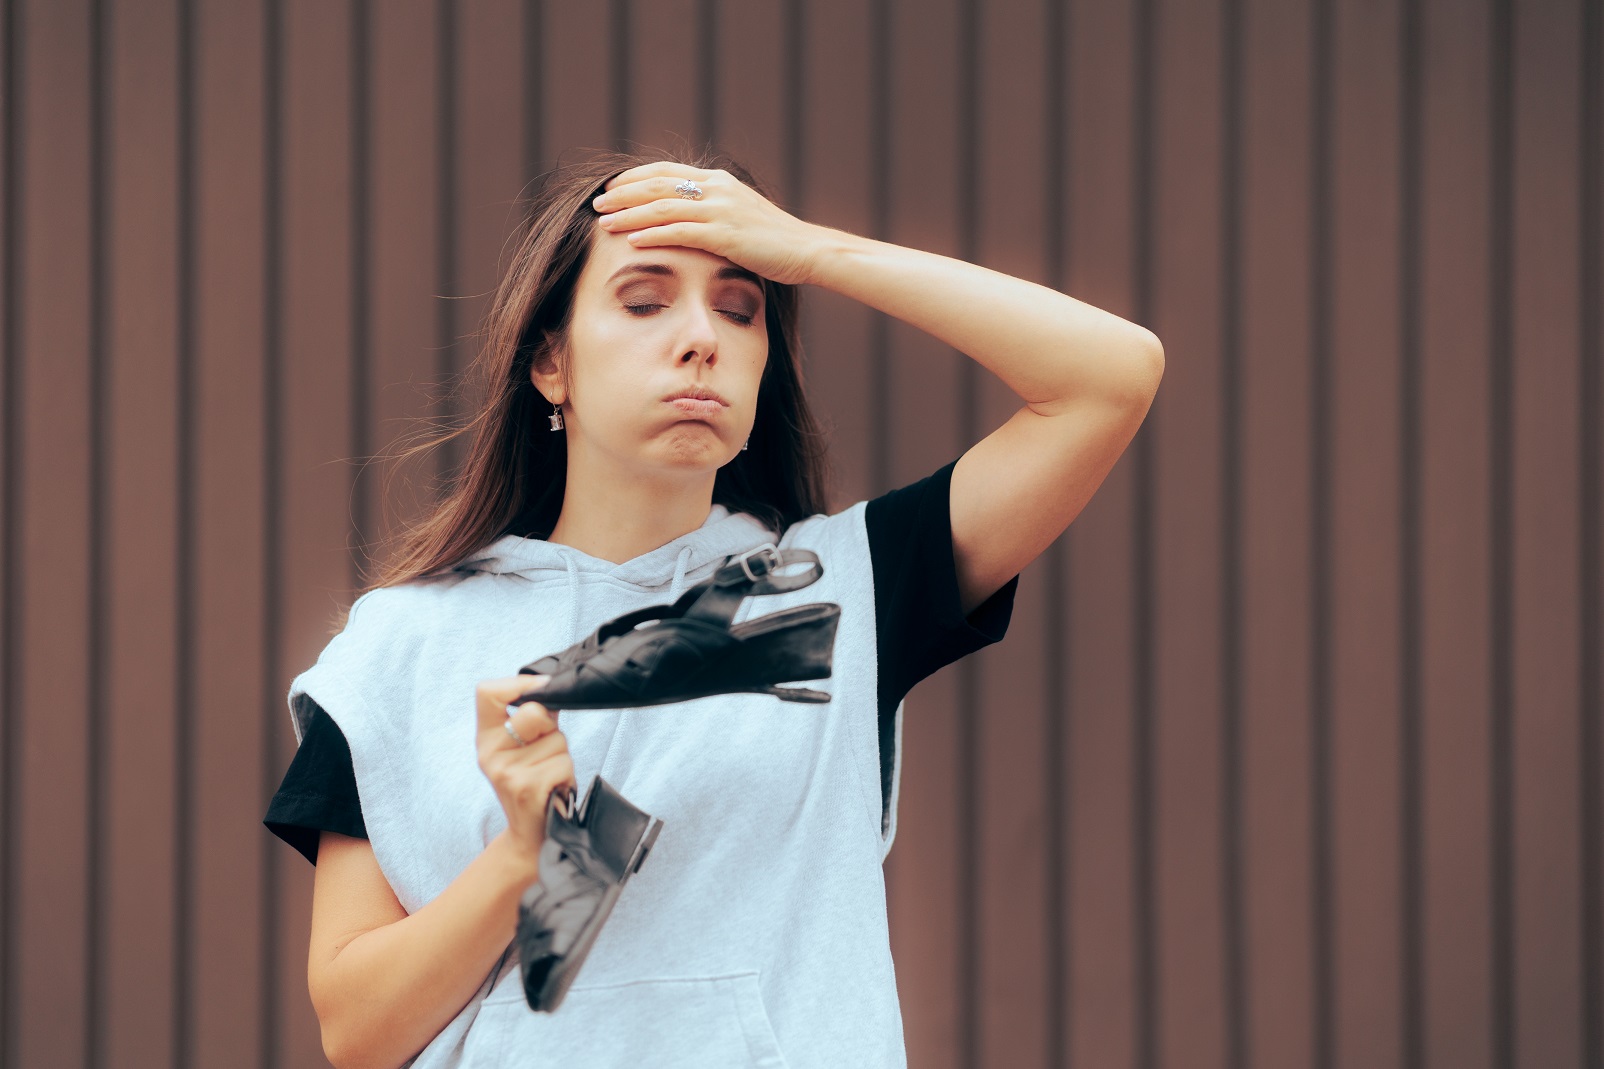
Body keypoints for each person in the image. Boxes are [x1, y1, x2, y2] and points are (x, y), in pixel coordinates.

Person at [262, 146, 1164, 1069]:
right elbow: (356, 1035)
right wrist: (517, 859)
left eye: (741, 308)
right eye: (645, 301)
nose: (703, 338)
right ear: (550, 364)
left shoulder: (841, 591)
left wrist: (807, 251)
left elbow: (1112, 376)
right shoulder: (403, 642)